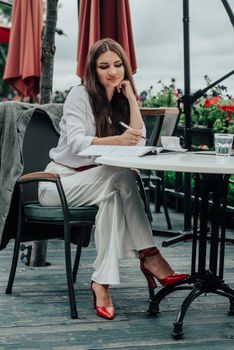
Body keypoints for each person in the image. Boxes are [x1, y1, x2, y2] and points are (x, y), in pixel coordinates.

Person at [38, 38, 189, 320]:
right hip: (57, 183)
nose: (112, 72)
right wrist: (118, 140)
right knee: (120, 175)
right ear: (92, 70)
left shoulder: (120, 100)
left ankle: (101, 283)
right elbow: (76, 145)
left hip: (99, 184)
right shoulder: (79, 95)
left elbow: (140, 138)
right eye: (104, 66)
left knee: (112, 197)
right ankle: (150, 254)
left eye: (118, 65)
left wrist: (131, 97)